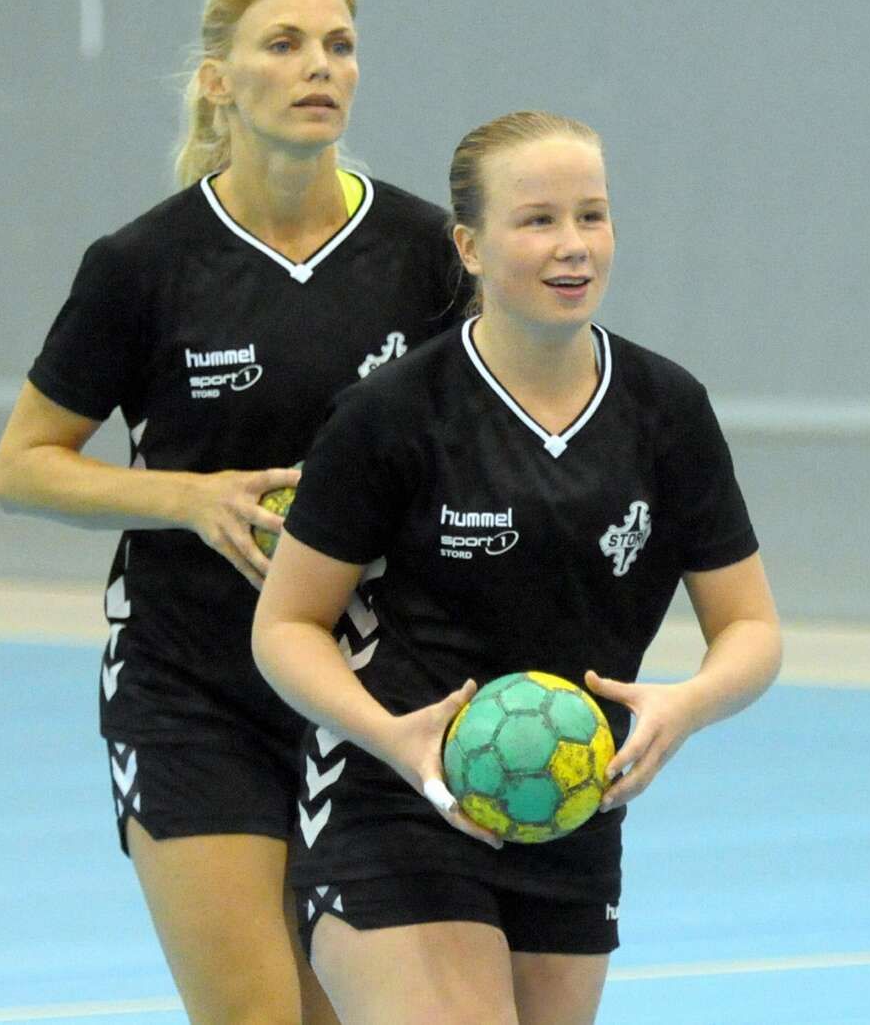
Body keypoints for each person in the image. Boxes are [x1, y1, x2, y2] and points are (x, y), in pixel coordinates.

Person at [0, 0, 467, 1024]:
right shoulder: (143, 265)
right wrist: (189, 498)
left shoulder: (427, 254)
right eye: (283, 45)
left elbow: (472, 443)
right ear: (218, 80)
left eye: (338, 46)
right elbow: (21, 465)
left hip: (364, 691)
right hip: (191, 686)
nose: (318, 67)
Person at [250, 109, 782, 1025]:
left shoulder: (667, 407)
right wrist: (395, 737)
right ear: (469, 246)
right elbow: (285, 627)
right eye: (538, 220)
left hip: (572, 804)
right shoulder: (391, 413)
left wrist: (687, 704)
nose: (573, 244)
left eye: (591, 215)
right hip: (399, 800)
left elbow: (752, 627)